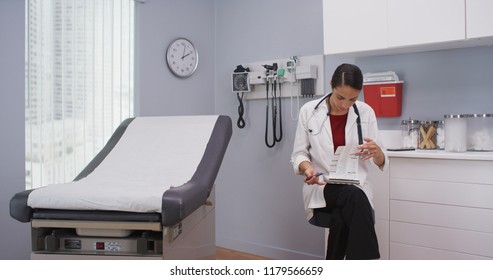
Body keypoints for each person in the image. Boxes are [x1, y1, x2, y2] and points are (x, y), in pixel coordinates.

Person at [290, 63, 388, 260]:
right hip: (322, 184)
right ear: (331, 86)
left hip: (355, 186)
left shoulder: (366, 112)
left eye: (353, 99)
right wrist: (307, 169)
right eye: (340, 97)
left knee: (342, 218)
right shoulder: (309, 111)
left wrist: (377, 153)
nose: (345, 105)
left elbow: (381, 159)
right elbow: (298, 154)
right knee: (354, 198)